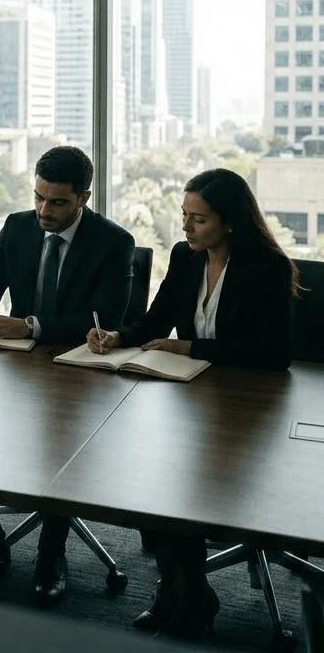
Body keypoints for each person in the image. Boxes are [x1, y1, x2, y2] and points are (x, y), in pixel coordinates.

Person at [86, 167, 296, 639]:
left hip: (249, 410)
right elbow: (156, 320)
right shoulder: (185, 257)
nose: (185, 227)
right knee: (158, 480)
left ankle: (185, 592)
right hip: (192, 400)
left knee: (183, 488)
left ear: (231, 221)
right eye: (184, 215)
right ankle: (184, 587)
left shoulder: (267, 267)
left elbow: (274, 356)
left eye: (198, 219)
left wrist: (192, 348)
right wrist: (118, 335)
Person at [0, 146, 135, 606]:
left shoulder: (113, 242)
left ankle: (51, 553)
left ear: (84, 196)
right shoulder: (18, 226)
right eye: (39, 197)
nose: (43, 210)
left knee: (60, 444)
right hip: (16, 366)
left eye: (57, 202)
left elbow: (105, 316)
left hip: (79, 370)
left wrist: (31, 324)